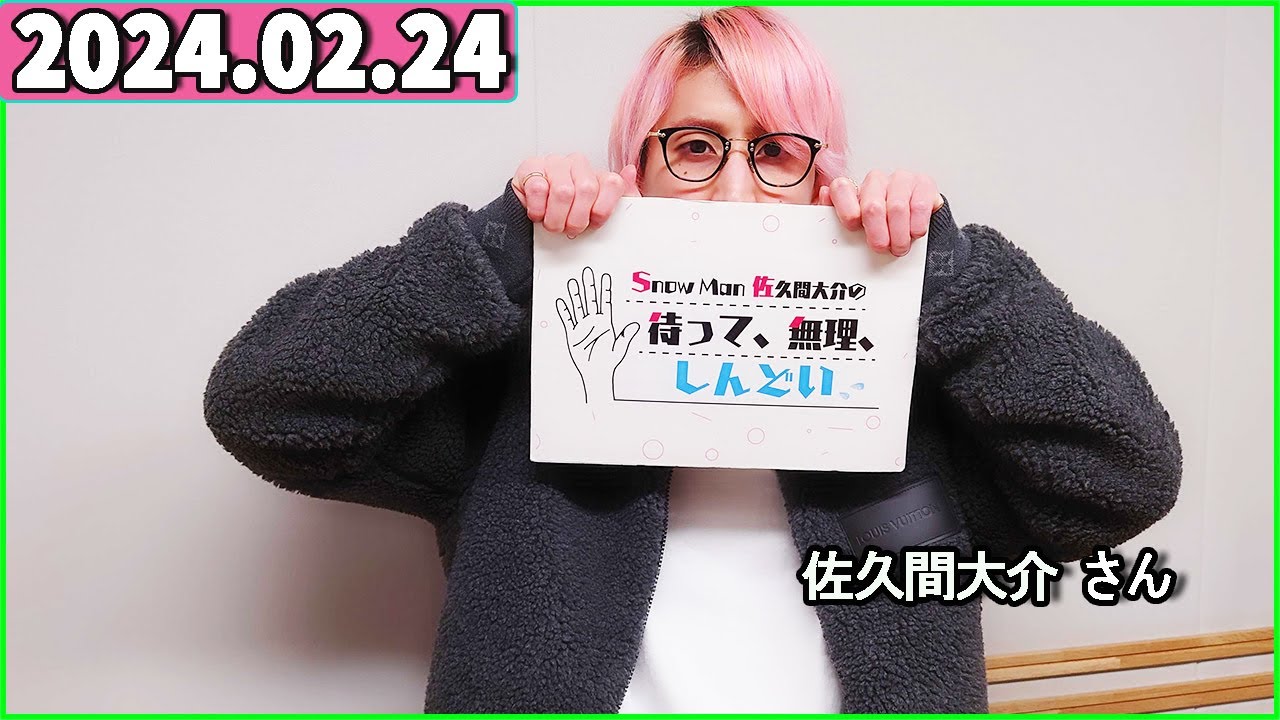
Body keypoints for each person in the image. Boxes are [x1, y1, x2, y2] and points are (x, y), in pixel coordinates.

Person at [203, 6, 1183, 713]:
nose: (735, 194)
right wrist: (500, 245)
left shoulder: (914, 382)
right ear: (635, 166)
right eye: (696, 147)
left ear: (822, 180)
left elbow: (1123, 478)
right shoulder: (521, 376)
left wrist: (952, 275)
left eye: (776, 152)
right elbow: (264, 405)